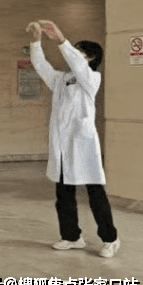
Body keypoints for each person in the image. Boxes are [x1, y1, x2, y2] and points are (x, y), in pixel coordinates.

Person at [26, 20, 120, 258]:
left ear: (90, 57)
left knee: (95, 194)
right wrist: (36, 41)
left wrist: (61, 39)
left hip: (83, 145)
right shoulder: (61, 79)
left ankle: (110, 239)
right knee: (64, 195)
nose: (73, 54)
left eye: (79, 51)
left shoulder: (92, 79)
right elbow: (42, 66)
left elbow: (77, 64)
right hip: (62, 145)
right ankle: (71, 237)